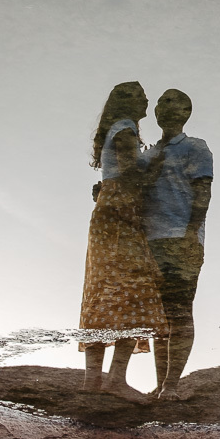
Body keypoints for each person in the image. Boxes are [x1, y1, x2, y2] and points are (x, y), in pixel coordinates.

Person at [78, 81, 168, 400]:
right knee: (136, 292)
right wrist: (159, 165)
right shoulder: (127, 129)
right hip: (122, 215)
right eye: (141, 95)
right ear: (129, 102)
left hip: (107, 213)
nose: (146, 99)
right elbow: (131, 174)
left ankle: (93, 382)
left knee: (102, 291)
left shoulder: (116, 129)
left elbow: (114, 176)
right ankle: (115, 380)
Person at [141, 88, 213, 400]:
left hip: (181, 239)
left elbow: (203, 192)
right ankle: (161, 385)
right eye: (161, 101)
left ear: (186, 111)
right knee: (158, 316)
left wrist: (190, 234)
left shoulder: (196, 147)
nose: (164, 105)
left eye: (172, 100)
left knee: (180, 311)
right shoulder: (146, 155)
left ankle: (171, 385)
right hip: (148, 243)